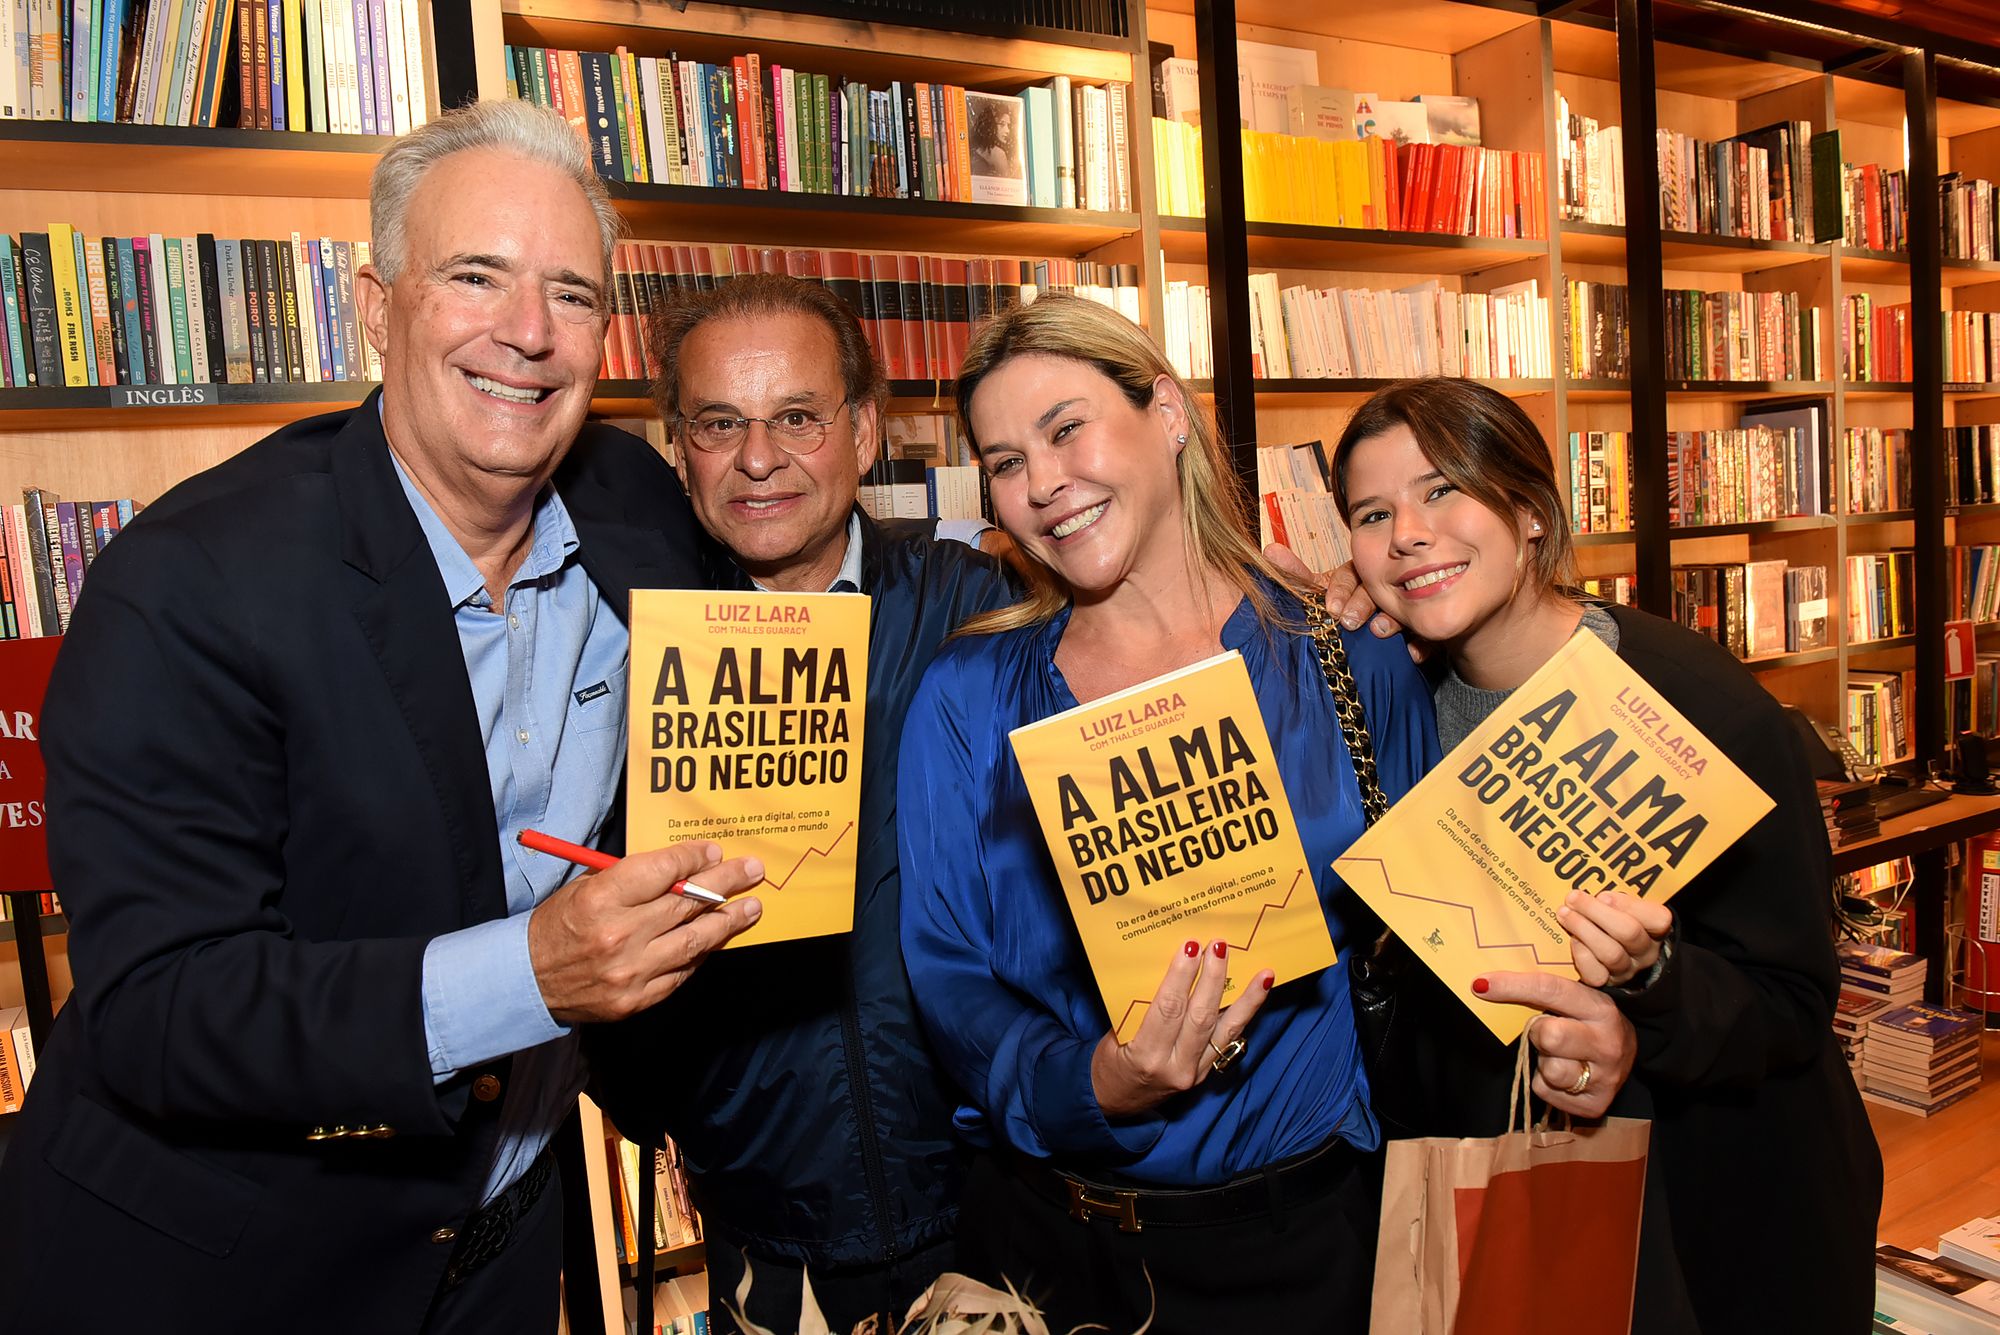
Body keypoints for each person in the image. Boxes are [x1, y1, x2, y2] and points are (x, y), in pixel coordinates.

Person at [0, 101, 764, 1334]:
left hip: (502, 1254)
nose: (528, 332)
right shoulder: (189, 581)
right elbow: (159, 1010)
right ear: (375, 306)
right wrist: (531, 976)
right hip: (219, 1270)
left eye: (571, 294)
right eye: (476, 276)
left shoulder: (633, 507)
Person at [893, 295, 1637, 1333]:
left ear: (1167, 413)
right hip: (1045, 1256)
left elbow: (1452, 943)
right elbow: (949, 979)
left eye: (1066, 429)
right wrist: (1093, 1081)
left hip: (1308, 1249)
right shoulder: (967, 694)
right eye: (1006, 461)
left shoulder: (1347, 653)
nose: (1043, 483)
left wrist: (1577, 1030)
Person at [1333, 377, 1883, 1334]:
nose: (1407, 534)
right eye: (1372, 513)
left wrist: (1651, 986)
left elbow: (1793, 1004)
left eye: (1441, 489)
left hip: (1720, 1219)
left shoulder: (1698, 705)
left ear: (1531, 511)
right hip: (1508, 1204)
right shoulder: (1387, 708)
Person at [584, 273, 1019, 1335]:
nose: (757, 458)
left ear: (862, 432)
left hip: (994, 1205)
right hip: (766, 1229)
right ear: (678, 449)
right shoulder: (621, 652)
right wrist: (680, 1095)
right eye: (718, 423)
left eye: (796, 417)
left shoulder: (975, 603)